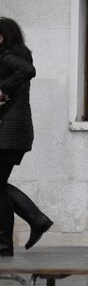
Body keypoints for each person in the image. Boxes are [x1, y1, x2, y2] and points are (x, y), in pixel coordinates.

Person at [0, 17, 53, 256]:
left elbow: (28, 71)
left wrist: (3, 90)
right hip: (11, 131)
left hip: (8, 133)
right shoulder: (13, 57)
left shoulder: (9, 58)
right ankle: (35, 220)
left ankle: (6, 242)